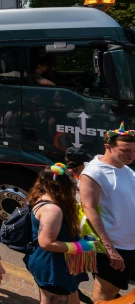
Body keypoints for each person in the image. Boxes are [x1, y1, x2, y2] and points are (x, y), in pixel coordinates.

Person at [79, 124, 135, 302]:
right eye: (125, 150)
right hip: (114, 247)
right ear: (108, 147)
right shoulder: (94, 172)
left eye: (134, 151)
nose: (131, 155)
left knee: (114, 291)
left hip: (129, 245)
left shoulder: (127, 171)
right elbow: (89, 208)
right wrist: (109, 248)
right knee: (105, 293)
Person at [25, 163, 91, 304]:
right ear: (60, 186)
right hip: (54, 267)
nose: (77, 188)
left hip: (56, 263)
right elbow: (46, 242)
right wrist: (80, 246)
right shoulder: (52, 209)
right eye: (72, 185)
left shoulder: (44, 197)